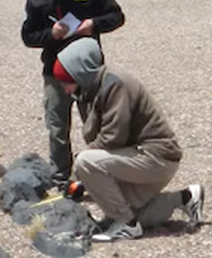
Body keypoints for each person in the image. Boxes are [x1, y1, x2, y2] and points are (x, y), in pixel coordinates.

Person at [53, 37, 203, 242]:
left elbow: (113, 138)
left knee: (85, 162)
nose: (65, 89)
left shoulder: (115, 85)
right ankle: (186, 197)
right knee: (129, 210)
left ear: (81, 73)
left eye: (67, 82)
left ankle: (127, 226)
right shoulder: (93, 89)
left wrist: (80, 176)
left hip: (155, 157)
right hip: (144, 158)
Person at [21, 0, 125, 182]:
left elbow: (117, 16)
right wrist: (51, 34)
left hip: (89, 72)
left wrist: (94, 24)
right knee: (57, 128)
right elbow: (28, 36)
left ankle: (104, 173)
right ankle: (60, 177)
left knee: (96, 124)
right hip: (55, 73)